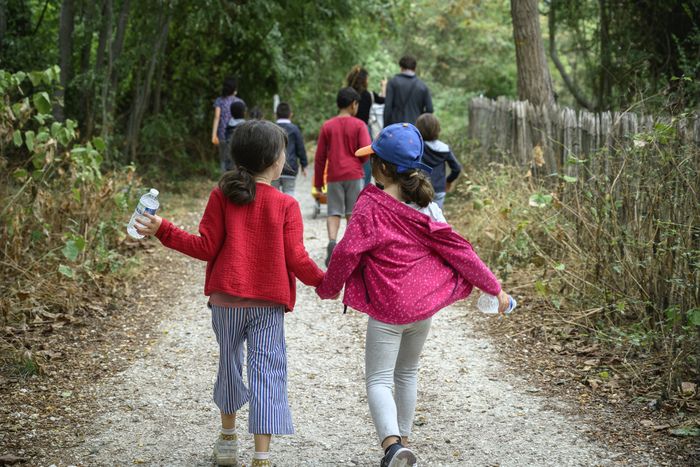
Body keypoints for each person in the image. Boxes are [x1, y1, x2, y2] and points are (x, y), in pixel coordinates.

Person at [316, 123, 511, 467]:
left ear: (383, 168)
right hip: (422, 310)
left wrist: (329, 288)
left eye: (373, 158)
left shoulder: (370, 206)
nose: (369, 163)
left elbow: (346, 253)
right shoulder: (429, 207)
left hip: (388, 309)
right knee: (407, 372)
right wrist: (494, 287)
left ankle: (392, 447)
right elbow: (459, 250)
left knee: (378, 378)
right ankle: (404, 440)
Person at [134, 120, 324, 467]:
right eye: (283, 151)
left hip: (226, 303)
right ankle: (262, 457)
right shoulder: (285, 205)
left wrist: (165, 229)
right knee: (267, 370)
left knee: (230, 365)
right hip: (268, 305)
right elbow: (297, 259)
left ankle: (227, 440)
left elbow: (205, 247)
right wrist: (325, 284)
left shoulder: (222, 195)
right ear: (275, 160)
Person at [314, 87, 371, 267]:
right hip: (354, 174)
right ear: (353, 104)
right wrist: (358, 160)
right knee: (352, 213)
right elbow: (365, 152)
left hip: (334, 175)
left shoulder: (327, 126)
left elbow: (320, 156)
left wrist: (317, 182)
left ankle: (332, 242)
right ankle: (350, 249)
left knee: (334, 211)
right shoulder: (359, 125)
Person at [346, 65, 387, 186]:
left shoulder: (346, 93)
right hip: (364, 131)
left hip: (347, 130)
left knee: (348, 158)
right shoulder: (369, 95)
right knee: (366, 163)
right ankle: (363, 191)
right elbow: (382, 100)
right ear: (364, 80)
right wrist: (384, 86)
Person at [415, 113, 461, 208]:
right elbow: (456, 168)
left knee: (420, 217)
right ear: (437, 129)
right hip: (439, 189)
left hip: (420, 188)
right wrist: (448, 181)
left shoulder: (418, 147)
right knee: (436, 219)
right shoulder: (445, 148)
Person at [383, 56, 433, 127]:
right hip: (415, 127)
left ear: (401, 67)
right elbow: (430, 109)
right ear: (415, 68)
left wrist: (386, 127)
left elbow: (388, 107)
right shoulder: (422, 86)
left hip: (396, 126)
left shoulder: (393, 82)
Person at [272, 102, 307, 197]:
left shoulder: (271, 128)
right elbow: (300, 148)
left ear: (276, 115)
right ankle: (288, 211)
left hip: (273, 167)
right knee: (289, 192)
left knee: (274, 194)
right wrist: (304, 165)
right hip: (290, 168)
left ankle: (275, 212)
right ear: (290, 114)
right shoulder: (295, 129)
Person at [212, 77, 245, 173]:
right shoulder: (240, 102)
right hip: (239, 136)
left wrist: (214, 135)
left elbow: (217, 117)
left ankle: (224, 181)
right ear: (234, 89)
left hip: (223, 135)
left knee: (223, 159)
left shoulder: (219, 101)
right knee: (238, 159)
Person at [222, 100, 247, 170]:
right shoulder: (246, 126)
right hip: (242, 161)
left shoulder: (228, 126)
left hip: (229, 158)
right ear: (244, 112)